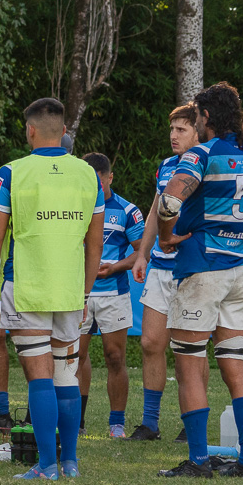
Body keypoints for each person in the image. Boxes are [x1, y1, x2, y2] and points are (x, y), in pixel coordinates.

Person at [0, 98, 100, 481]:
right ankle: (70, 463)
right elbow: (95, 244)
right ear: (63, 132)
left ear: (30, 130)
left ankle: (46, 465)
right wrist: (85, 293)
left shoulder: (12, 172)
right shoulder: (88, 173)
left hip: (28, 285)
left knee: (39, 376)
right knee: (65, 375)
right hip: (70, 289)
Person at [155, 82, 243, 479]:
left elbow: (170, 200)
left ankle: (199, 460)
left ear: (205, 117)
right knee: (236, 365)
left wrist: (167, 235)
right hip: (241, 270)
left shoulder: (200, 155)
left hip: (203, 267)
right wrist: (239, 239)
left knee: (189, 366)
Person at [127, 103, 198, 442]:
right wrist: (142, 254)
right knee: (150, 342)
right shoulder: (167, 166)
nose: (173, 135)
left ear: (198, 131)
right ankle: (150, 423)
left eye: (181, 129)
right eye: (172, 129)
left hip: (191, 268)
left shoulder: (208, 164)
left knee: (188, 348)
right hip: (159, 266)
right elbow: (156, 209)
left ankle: (191, 422)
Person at [80, 153, 145, 440]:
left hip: (113, 293)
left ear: (110, 178)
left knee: (115, 356)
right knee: (75, 356)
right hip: (78, 294)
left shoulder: (128, 211)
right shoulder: (73, 206)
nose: (94, 188)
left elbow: (141, 251)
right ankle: (77, 421)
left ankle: (116, 423)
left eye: (99, 182)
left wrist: (115, 267)